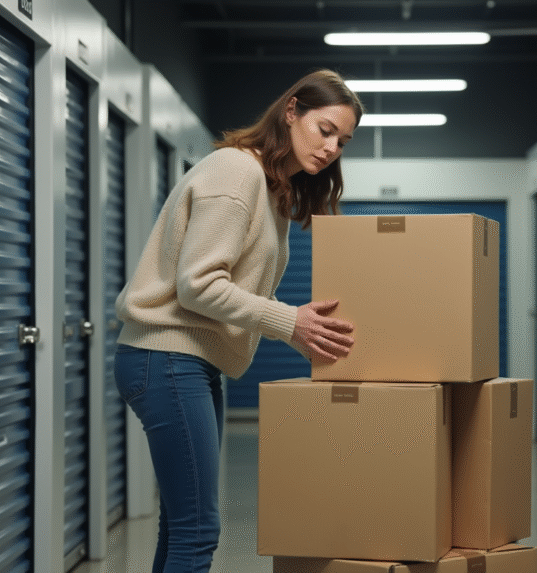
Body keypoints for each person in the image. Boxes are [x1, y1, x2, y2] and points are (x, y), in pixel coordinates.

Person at [113, 68, 363, 573]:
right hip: (167, 356)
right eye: (325, 129)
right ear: (291, 111)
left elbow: (239, 292)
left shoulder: (273, 189)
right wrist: (288, 322)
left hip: (190, 360)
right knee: (198, 531)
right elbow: (199, 285)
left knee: (182, 525)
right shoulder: (237, 172)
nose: (333, 147)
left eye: (344, 140)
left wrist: (300, 332)